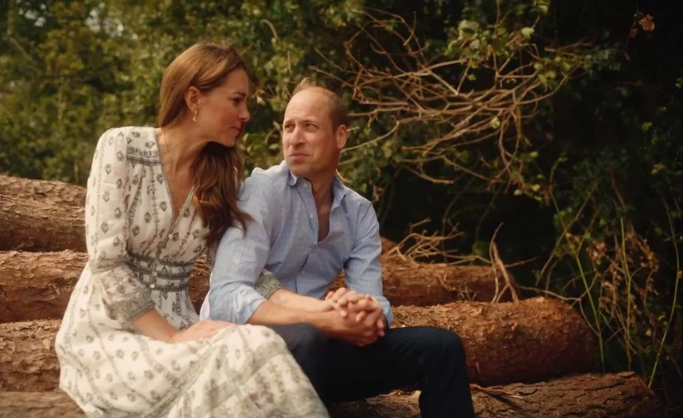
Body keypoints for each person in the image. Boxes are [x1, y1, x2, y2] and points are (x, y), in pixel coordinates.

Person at [55, 44, 328, 418]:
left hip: (183, 327)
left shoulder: (223, 177)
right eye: (236, 100)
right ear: (194, 98)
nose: (245, 114)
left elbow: (241, 270)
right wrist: (171, 337)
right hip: (105, 333)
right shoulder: (121, 146)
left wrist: (321, 309)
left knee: (261, 345)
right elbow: (108, 263)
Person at [201, 80, 476, 418]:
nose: (294, 138)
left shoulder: (358, 212)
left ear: (340, 136)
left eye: (309, 126)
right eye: (288, 127)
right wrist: (323, 318)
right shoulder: (261, 192)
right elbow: (227, 294)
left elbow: (373, 298)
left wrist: (367, 312)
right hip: (246, 356)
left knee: (441, 347)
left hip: (318, 352)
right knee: (307, 337)